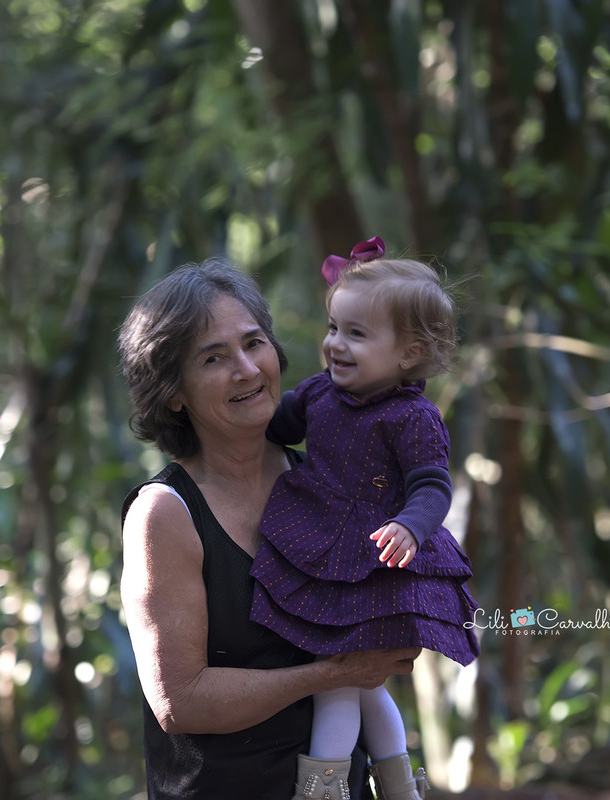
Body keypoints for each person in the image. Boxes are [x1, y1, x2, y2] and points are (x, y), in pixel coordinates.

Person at [117, 258, 420, 800]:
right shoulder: (163, 513)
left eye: (254, 343)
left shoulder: (328, 478)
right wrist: (330, 673)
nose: (248, 369)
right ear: (173, 393)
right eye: (214, 357)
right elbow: (179, 701)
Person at [250, 237, 480, 800]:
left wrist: (410, 525)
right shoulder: (319, 394)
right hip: (323, 546)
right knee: (362, 683)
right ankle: (401, 786)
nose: (335, 345)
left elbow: (431, 484)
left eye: (356, 334)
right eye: (333, 328)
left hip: (375, 560)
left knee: (340, 684)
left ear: (408, 354)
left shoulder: (413, 417)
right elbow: (274, 425)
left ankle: (322, 790)